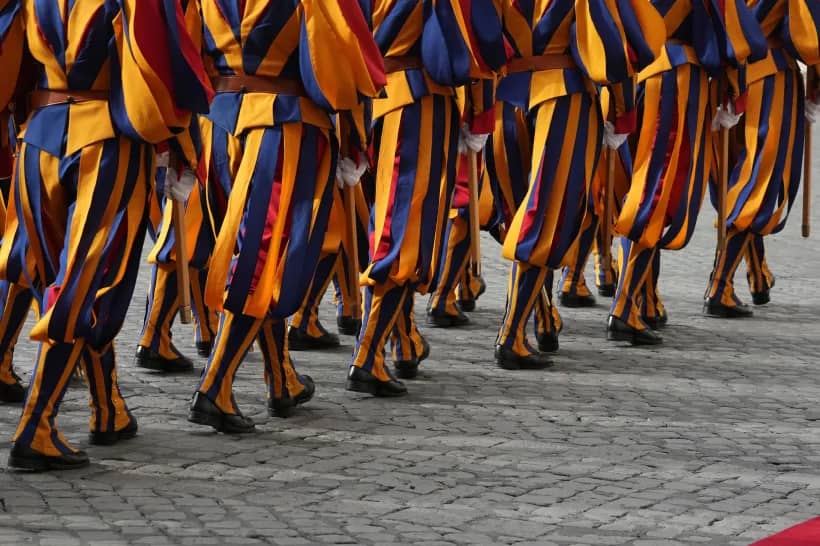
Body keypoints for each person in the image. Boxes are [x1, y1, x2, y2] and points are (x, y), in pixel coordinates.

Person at [0, 0, 213, 471]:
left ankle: (107, 408)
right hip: (105, 142)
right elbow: (156, 69)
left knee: (62, 278)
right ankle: (38, 426)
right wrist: (181, 147)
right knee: (88, 285)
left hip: (38, 137)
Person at [188, 0, 387, 431]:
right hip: (282, 125)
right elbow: (341, 48)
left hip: (219, 125)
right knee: (261, 261)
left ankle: (281, 378)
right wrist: (354, 141)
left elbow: (188, 49)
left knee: (256, 255)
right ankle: (215, 385)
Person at [491, 0, 665, 369]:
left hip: (504, 96)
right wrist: (622, 108)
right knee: (547, 217)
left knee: (526, 212)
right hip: (561, 93)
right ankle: (512, 333)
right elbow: (610, 37)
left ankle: (542, 316)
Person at [346, 0, 506, 394]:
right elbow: (477, 34)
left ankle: (403, 340)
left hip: (375, 101)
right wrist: (481, 112)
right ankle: (368, 355)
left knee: (387, 226)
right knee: (406, 238)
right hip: (420, 102)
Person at [607, 0, 768, 343]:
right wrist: (735, 90)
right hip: (675, 76)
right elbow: (729, 23)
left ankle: (645, 300)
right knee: (658, 194)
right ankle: (624, 306)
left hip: (630, 75)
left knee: (639, 191)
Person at [703, 0, 807, 318]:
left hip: (725, 75)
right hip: (770, 72)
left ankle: (757, 273)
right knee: (758, 183)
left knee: (740, 180)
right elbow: (808, 33)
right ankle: (720, 285)